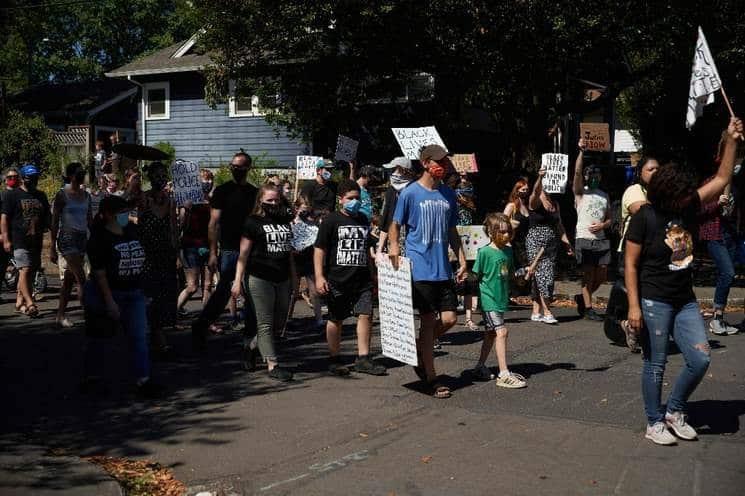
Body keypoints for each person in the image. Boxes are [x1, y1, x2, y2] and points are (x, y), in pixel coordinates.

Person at [625, 116, 742, 446]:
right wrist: (634, 307)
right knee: (656, 364)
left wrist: (731, 140)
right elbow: (630, 265)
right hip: (653, 299)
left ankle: (675, 410)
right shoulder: (644, 217)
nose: (687, 197)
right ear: (665, 193)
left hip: (684, 299)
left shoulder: (688, 206)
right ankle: (654, 421)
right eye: (680, 193)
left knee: (701, 357)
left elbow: (721, 178)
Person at [388, 145, 467, 398]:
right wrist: (393, 247)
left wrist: (462, 258)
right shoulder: (410, 193)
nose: (442, 165)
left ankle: (419, 349)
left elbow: (452, 229)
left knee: (450, 320)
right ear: (425, 163)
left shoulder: (448, 194)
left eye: (445, 161)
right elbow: (395, 224)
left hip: (442, 267)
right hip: (419, 267)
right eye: (438, 161)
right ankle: (432, 378)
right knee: (429, 322)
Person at [83, 194, 161, 397]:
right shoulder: (99, 238)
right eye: (121, 212)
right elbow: (99, 275)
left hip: (133, 293)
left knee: (139, 337)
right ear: (108, 214)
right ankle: (92, 376)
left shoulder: (131, 231)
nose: (126, 215)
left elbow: (141, 262)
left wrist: (144, 291)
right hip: (106, 293)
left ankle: (143, 380)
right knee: (100, 337)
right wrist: (110, 302)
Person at [314, 179, 387, 376]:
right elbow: (319, 249)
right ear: (341, 200)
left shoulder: (363, 220)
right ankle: (334, 358)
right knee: (336, 318)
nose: (354, 201)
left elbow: (367, 248)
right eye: (350, 198)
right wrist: (319, 276)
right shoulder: (331, 221)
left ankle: (363, 358)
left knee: (366, 315)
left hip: (361, 279)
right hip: (337, 279)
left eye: (357, 198)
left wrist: (374, 275)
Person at [192, 152, 258, 350]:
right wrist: (213, 252)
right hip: (230, 249)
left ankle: (252, 335)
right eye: (233, 166)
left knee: (252, 291)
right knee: (223, 292)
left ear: (248, 168)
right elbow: (213, 224)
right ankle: (201, 325)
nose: (235, 169)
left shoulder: (255, 192)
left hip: (251, 249)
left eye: (239, 167)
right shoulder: (222, 191)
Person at [232, 185, 295, 381]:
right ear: (260, 201)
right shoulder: (253, 222)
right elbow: (243, 254)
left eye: (277, 200)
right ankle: (272, 364)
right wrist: (237, 281)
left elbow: (290, 252)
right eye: (269, 201)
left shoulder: (285, 220)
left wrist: (294, 277)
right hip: (259, 278)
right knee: (265, 322)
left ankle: (251, 346)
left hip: (282, 276)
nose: (274, 204)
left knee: (279, 321)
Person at [604, 155, 659, 351]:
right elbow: (643, 211)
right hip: (629, 254)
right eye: (650, 169)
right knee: (629, 298)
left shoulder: (658, 195)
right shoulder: (634, 191)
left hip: (651, 256)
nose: (655, 173)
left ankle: (639, 334)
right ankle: (626, 327)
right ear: (640, 172)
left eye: (657, 170)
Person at [470, 213, 527, 388]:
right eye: (502, 232)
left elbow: (510, 275)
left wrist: (521, 276)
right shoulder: (484, 252)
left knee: (491, 334)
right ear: (491, 232)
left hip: (501, 299)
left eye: (508, 232)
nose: (506, 235)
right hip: (489, 300)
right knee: (502, 332)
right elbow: (475, 276)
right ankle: (503, 374)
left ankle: (479, 367)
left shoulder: (508, 251)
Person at [698, 132, 742, 335]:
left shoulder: (736, 186)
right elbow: (698, 209)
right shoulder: (711, 182)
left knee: (728, 275)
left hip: (730, 235)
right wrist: (717, 203)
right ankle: (716, 318)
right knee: (728, 272)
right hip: (714, 235)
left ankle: (720, 317)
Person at [138, 162, 179, 356]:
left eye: (164, 175)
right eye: (158, 175)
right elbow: (137, 223)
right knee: (150, 294)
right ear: (151, 177)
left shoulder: (170, 200)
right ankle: (155, 338)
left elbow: (173, 227)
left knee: (164, 294)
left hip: (165, 253)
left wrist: (176, 252)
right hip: (147, 252)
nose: (161, 178)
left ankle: (157, 334)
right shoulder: (144, 198)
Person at [1, 164, 50, 318]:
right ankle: (30, 303)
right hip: (19, 239)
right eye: (29, 178)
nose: (32, 181)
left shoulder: (41, 196)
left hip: (36, 239)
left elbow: (47, 217)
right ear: (23, 178)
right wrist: (6, 239)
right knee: (25, 269)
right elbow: (4, 218)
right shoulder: (12, 195)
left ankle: (19, 301)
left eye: (35, 178)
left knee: (31, 272)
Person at [526, 166, 573, 324]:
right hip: (535, 241)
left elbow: (559, 226)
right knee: (541, 274)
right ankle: (547, 311)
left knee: (545, 274)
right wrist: (540, 177)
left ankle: (535, 310)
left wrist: (567, 244)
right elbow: (534, 191)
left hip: (551, 243)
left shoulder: (555, 204)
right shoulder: (535, 201)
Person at [572, 139, 611, 321]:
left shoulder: (605, 196)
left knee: (602, 274)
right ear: (586, 177)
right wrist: (581, 152)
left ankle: (582, 297)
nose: (594, 177)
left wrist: (603, 225)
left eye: (597, 174)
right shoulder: (581, 193)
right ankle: (588, 308)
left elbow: (610, 219)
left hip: (601, 238)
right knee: (588, 273)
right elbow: (577, 172)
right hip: (584, 237)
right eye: (590, 174)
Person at [50, 162, 92, 328]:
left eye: (82, 172)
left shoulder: (86, 195)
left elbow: (89, 220)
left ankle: (60, 315)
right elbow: (54, 222)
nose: (82, 174)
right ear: (71, 175)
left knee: (68, 279)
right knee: (81, 277)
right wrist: (52, 246)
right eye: (78, 172)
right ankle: (90, 313)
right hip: (67, 238)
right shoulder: (62, 195)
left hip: (82, 238)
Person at [177, 181, 215, 322]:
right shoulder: (188, 203)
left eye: (209, 180)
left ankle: (207, 320)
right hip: (191, 246)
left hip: (208, 245)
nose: (207, 183)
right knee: (192, 286)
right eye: (204, 180)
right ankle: (174, 313)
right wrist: (186, 210)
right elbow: (181, 226)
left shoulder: (212, 203)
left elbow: (216, 225)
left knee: (208, 285)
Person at [289, 194, 323, 330]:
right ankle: (287, 317)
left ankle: (319, 318)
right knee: (293, 291)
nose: (305, 212)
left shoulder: (313, 223)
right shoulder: (291, 222)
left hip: (309, 257)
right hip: (295, 258)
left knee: (314, 291)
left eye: (307, 209)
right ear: (296, 208)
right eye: (303, 209)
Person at [376, 156, 417, 256]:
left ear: (404, 171)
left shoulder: (416, 191)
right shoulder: (391, 191)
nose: (392, 173)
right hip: (393, 246)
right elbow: (385, 222)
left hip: (413, 246)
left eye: (394, 169)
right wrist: (380, 249)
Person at [0, 168, 20, 291]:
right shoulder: (2, 196)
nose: (13, 179)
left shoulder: (22, 194)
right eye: (10, 177)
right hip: (4, 234)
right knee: (2, 264)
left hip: (18, 234)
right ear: (5, 180)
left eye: (15, 177)